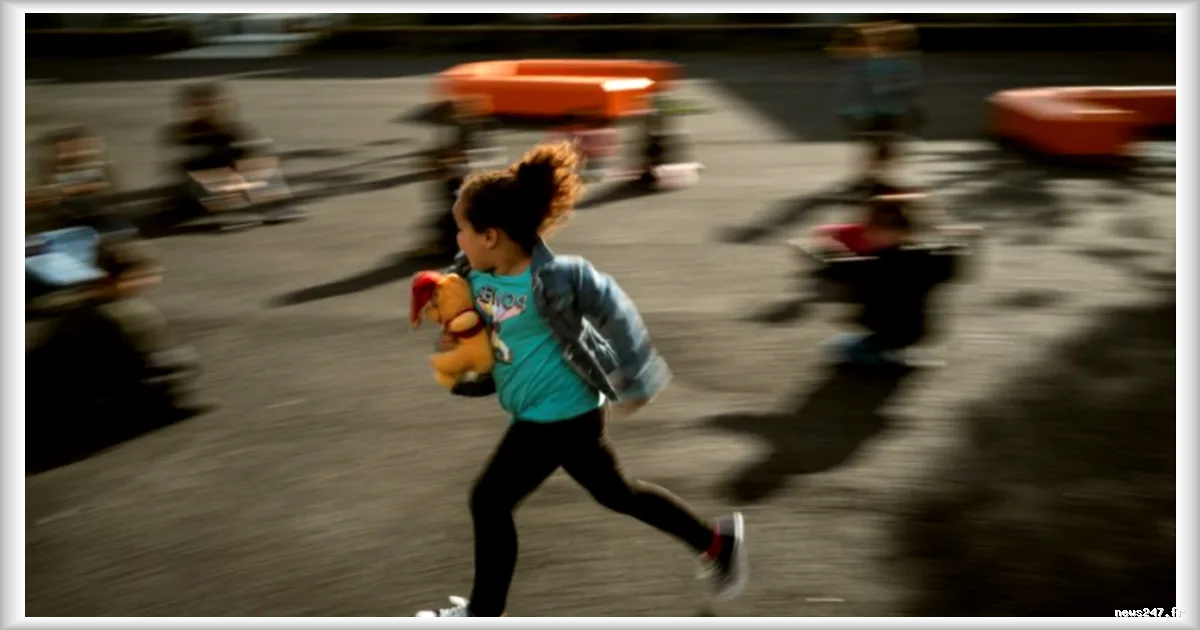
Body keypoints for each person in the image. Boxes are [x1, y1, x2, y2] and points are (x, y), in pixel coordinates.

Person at [414, 141, 747, 617]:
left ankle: (483, 612)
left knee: (489, 501)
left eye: (461, 230)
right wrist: (453, 343)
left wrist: (634, 377)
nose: (456, 241)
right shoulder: (473, 275)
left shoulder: (558, 277)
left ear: (491, 236)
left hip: (562, 413)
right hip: (541, 411)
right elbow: (464, 319)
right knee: (617, 494)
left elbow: (617, 312)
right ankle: (716, 544)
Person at [24, 237, 211, 471]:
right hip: (69, 411)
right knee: (180, 360)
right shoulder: (128, 312)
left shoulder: (81, 302)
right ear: (135, 276)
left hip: (44, 397)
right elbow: (163, 375)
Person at [809, 195, 971, 368]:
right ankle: (901, 351)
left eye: (871, 227)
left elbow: (833, 271)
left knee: (836, 348)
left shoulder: (875, 263)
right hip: (919, 329)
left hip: (888, 330)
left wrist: (826, 250)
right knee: (843, 341)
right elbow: (954, 265)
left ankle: (889, 358)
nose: (866, 231)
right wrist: (945, 233)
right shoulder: (927, 257)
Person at [161, 82, 302, 230]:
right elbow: (185, 170)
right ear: (190, 108)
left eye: (211, 105)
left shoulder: (230, 131)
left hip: (225, 187)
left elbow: (246, 159)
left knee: (259, 164)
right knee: (219, 178)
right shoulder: (182, 134)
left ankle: (273, 208)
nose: (207, 110)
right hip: (193, 195)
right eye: (200, 106)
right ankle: (231, 211)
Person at [29, 126, 134, 237]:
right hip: (62, 227)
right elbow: (40, 198)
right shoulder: (48, 178)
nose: (73, 154)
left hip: (102, 224)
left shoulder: (101, 172)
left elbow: (112, 194)